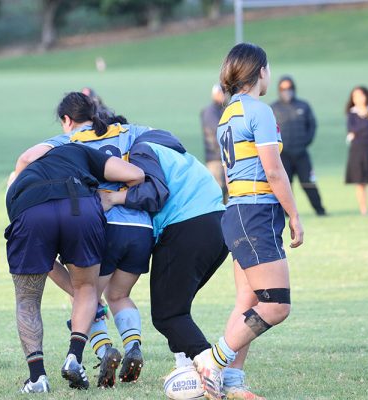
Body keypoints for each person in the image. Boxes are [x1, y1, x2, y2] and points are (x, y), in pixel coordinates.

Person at [15, 92, 153, 388]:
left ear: (67, 120)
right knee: (102, 291)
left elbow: (26, 158)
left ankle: (53, 371)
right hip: (121, 222)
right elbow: (138, 173)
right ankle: (104, 351)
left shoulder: (64, 143)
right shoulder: (116, 136)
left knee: (52, 295)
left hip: (50, 211)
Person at [190, 43, 304, 400]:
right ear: (260, 72)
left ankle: (232, 383)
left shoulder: (227, 113)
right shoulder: (259, 110)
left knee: (247, 300)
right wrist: (294, 214)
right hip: (255, 213)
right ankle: (214, 360)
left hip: (238, 211)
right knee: (276, 304)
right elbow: (273, 169)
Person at [99, 129, 228, 392]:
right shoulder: (173, 152)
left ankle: (209, 369)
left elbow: (156, 193)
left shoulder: (140, 149)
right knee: (176, 307)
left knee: (168, 314)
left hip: (185, 226)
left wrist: (114, 197)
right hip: (216, 225)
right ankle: (184, 367)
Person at [271, 76, 326, 216]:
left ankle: (320, 210)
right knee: (284, 185)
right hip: (283, 155)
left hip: (301, 154)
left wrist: (305, 142)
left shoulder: (303, 106)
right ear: (279, 90)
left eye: (289, 88)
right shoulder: (274, 108)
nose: (286, 91)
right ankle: (286, 213)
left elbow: (312, 126)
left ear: (294, 89)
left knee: (309, 183)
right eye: (283, 89)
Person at [345, 86, 368, 215]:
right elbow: (351, 129)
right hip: (356, 151)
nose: (358, 99)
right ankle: (363, 210)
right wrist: (364, 126)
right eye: (355, 96)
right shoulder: (352, 113)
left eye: (360, 95)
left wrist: (357, 132)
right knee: (359, 182)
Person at [201, 83, 228, 203]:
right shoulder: (210, 111)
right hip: (216, 158)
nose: (224, 96)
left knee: (227, 190)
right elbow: (218, 132)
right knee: (217, 190)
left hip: (224, 157)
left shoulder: (223, 109)